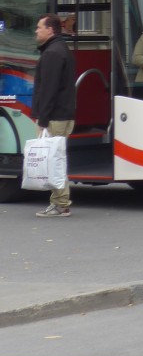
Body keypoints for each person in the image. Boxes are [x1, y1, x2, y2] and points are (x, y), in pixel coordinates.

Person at [31, 14, 76, 218]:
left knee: (53, 161)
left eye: (39, 27)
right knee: (57, 159)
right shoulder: (62, 49)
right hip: (64, 115)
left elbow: (48, 90)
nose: (36, 31)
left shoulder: (52, 53)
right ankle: (60, 203)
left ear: (50, 30)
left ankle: (60, 204)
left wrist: (42, 119)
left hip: (54, 117)